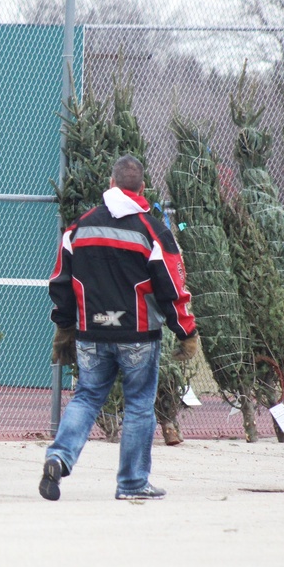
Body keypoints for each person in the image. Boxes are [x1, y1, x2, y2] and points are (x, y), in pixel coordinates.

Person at [41, 155, 199, 501]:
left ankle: (58, 456)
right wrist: (186, 331)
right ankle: (131, 484)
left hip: (91, 334)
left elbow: (60, 282)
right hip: (138, 336)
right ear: (142, 189)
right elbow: (173, 286)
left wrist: (65, 328)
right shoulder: (154, 230)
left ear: (111, 185)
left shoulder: (78, 228)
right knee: (140, 405)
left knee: (86, 397)